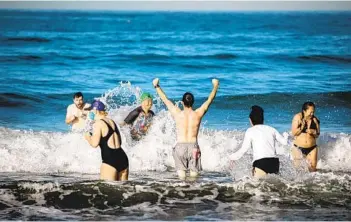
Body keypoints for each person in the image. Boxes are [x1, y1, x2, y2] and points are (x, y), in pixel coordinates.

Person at [153, 78, 219, 179]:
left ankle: (182, 192)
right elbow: (209, 100)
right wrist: (215, 86)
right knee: (194, 177)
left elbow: (165, 99)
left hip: (180, 147)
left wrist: (156, 86)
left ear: (182, 103)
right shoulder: (198, 113)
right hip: (194, 147)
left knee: (181, 178)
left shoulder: (177, 113)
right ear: (193, 103)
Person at [229, 105, 288, 178]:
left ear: (250, 120)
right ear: (263, 119)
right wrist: (285, 135)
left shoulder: (250, 131)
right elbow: (284, 142)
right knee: (274, 187)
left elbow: (243, 149)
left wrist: (231, 157)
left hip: (261, 163)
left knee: (257, 187)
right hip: (274, 163)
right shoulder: (272, 129)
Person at [84, 100, 129, 181]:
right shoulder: (112, 121)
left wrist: (87, 137)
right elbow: (120, 142)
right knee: (123, 190)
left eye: (91, 110)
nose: (90, 113)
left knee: (108, 191)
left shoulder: (98, 124)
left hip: (110, 161)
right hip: (123, 158)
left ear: (95, 111)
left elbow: (94, 144)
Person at [291, 102, 320, 172]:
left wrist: (313, 132)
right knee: (298, 170)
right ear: (304, 111)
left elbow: (318, 134)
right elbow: (294, 133)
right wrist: (302, 127)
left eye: (313, 112)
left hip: (312, 148)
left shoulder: (315, 120)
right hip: (298, 148)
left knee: (313, 169)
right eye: (310, 112)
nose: (312, 114)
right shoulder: (298, 117)